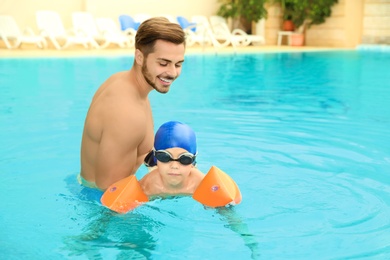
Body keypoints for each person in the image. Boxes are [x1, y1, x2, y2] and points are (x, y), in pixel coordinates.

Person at [79, 17, 186, 190]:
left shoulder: (121, 81)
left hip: (89, 189)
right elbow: (111, 195)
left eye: (178, 64)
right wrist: (178, 190)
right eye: (163, 63)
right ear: (139, 57)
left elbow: (137, 151)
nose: (172, 73)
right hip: (101, 209)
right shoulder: (128, 115)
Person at [140, 121, 205, 197]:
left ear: (192, 161)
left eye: (185, 159)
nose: (174, 166)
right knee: (152, 168)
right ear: (156, 159)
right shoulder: (148, 185)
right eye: (164, 157)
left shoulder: (201, 184)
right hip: (155, 166)